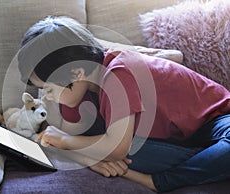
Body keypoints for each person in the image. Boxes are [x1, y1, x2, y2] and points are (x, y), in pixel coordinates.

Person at [17, 15, 230, 192]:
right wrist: (91, 160)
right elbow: (68, 141)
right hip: (178, 140)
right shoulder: (81, 92)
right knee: (123, 149)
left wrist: (67, 142)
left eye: (49, 89)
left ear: (77, 73)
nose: (46, 97)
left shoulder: (118, 73)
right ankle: (208, 165)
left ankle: (158, 181)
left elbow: (112, 149)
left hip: (217, 121)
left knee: (114, 147)